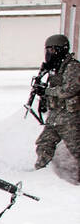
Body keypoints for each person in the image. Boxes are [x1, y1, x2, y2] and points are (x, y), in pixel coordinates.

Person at [34, 34, 80, 170]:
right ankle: (41, 170)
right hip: (56, 115)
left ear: (59, 50)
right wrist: (43, 98)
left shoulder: (73, 67)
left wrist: (47, 91)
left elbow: (68, 90)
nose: (48, 54)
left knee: (76, 148)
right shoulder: (56, 68)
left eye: (51, 50)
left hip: (69, 117)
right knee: (44, 142)